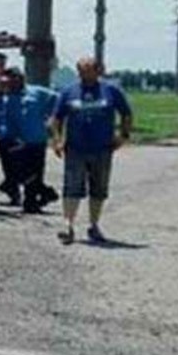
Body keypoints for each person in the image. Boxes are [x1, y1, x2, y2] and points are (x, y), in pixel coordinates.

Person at [51, 57, 133, 244]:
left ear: (97, 71)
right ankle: (68, 225)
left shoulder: (111, 91)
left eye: (88, 70)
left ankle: (94, 225)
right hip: (75, 148)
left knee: (99, 188)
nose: (83, 74)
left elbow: (126, 113)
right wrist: (57, 140)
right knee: (71, 187)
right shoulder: (69, 92)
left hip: (102, 148)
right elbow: (56, 118)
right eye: (80, 70)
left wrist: (123, 135)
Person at [0, 67, 59, 214]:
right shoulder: (6, 98)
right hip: (17, 141)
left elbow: (58, 100)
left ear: (20, 78)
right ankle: (45, 192)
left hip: (37, 140)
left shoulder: (37, 92)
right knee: (22, 172)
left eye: (12, 79)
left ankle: (32, 201)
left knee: (36, 172)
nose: (9, 83)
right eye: (7, 81)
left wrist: (52, 117)